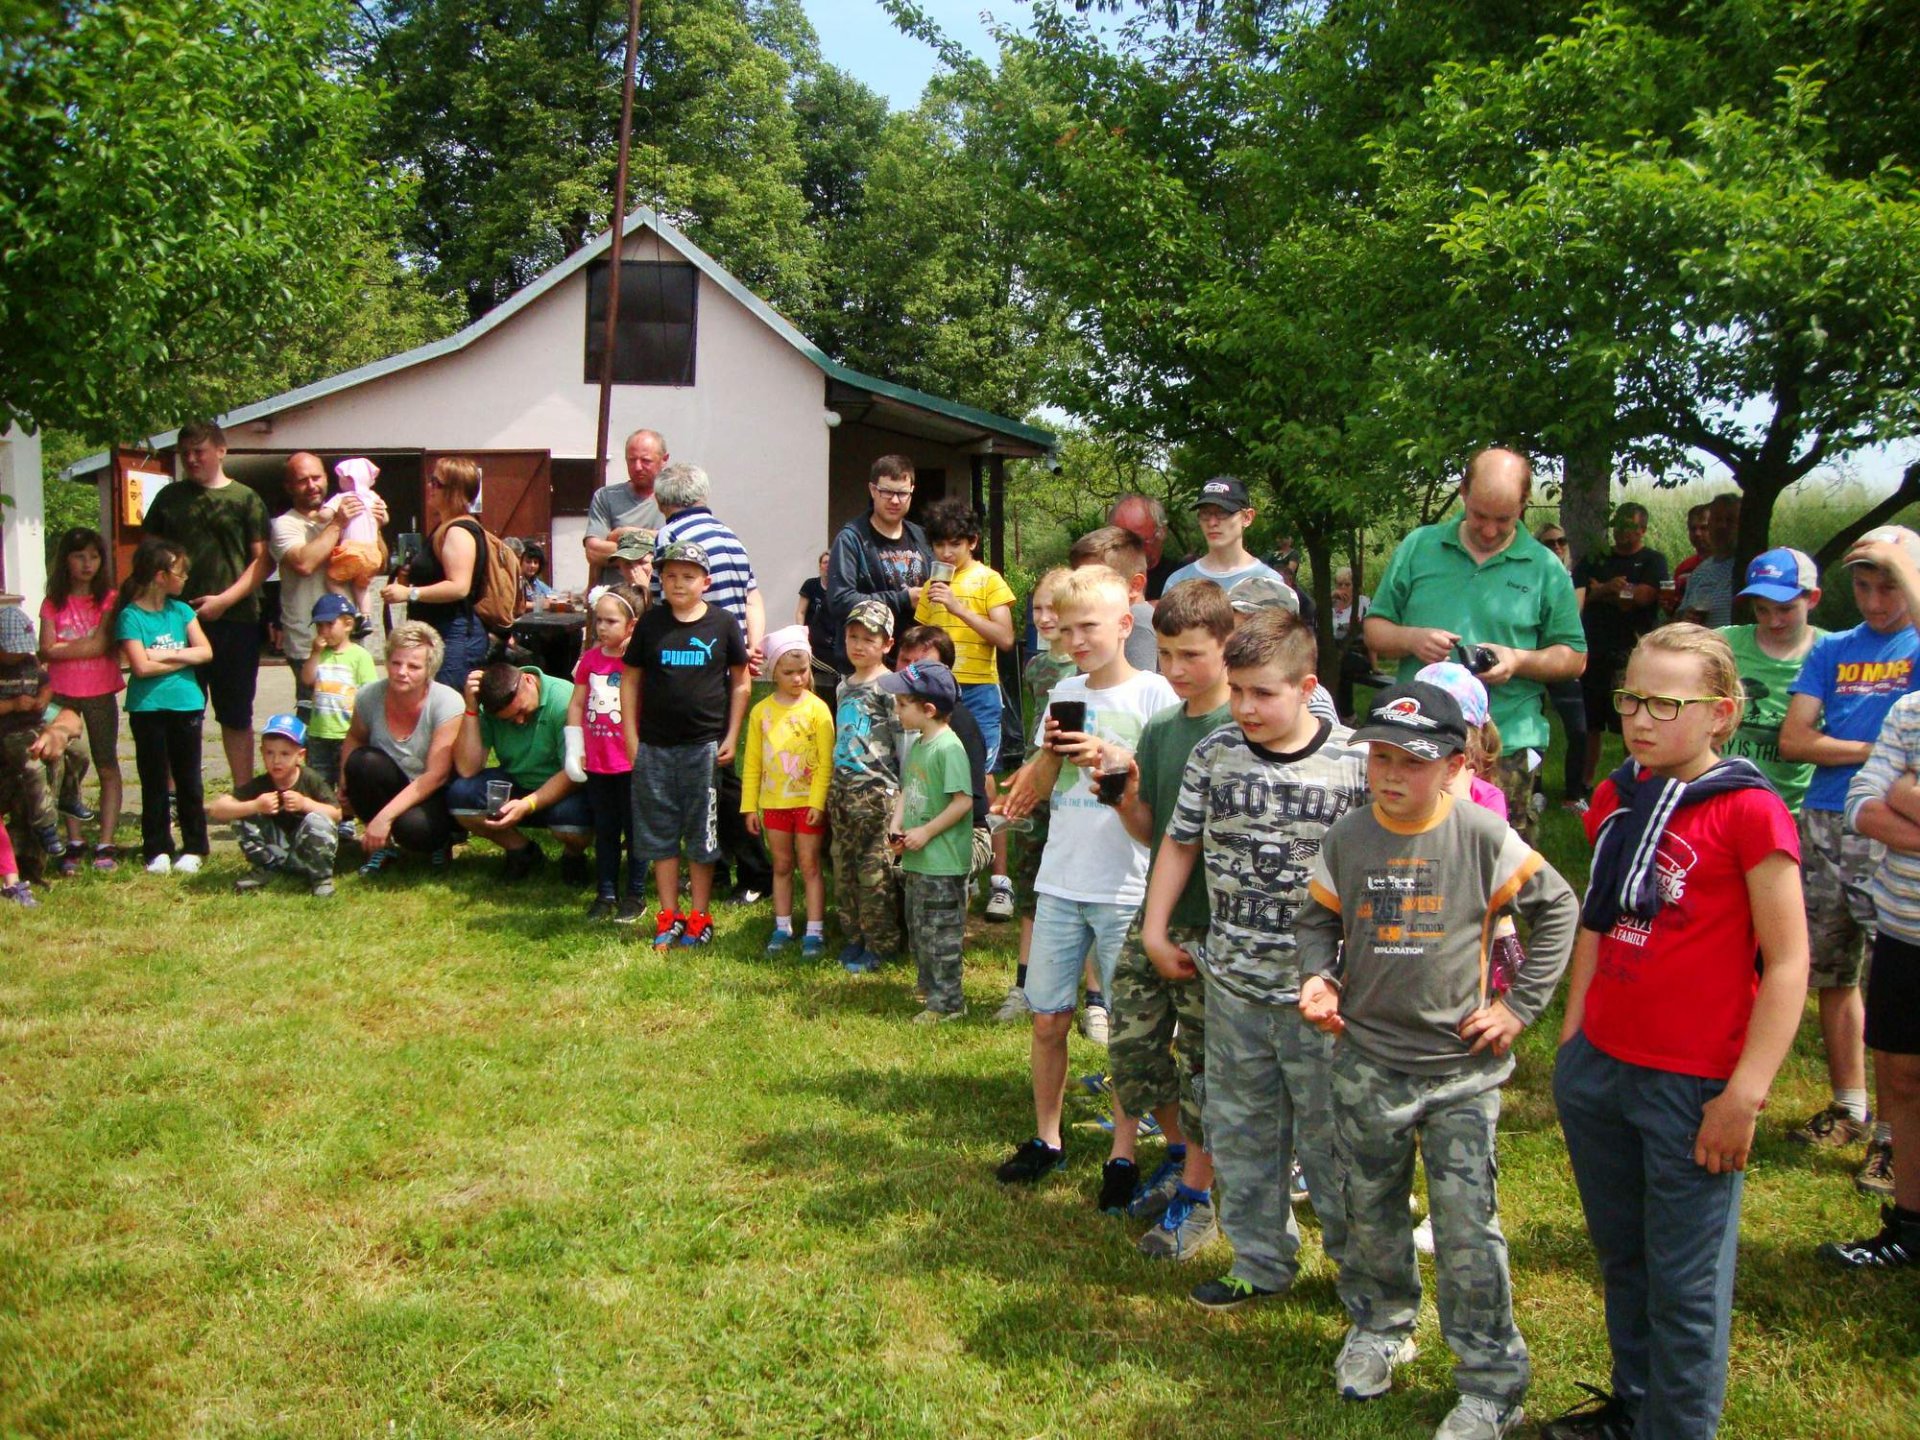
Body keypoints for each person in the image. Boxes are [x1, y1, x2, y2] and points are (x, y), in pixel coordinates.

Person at [1548, 625, 1808, 1439]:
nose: (1640, 719)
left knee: (1686, 1282)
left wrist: (1746, 1095)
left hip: (1693, 1084)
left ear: (1721, 714)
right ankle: (1634, 1405)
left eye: (1668, 703)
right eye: (1631, 698)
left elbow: (1791, 962)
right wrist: (1573, 1040)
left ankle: (1678, 1424)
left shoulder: (1748, 812)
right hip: (1603, 1066)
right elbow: (1598, 917)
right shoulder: (1621, 794)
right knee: (1625, 1257)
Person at [1298, 680, 1576, 1439]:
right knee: (1370, 1211)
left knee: (1465, 1227)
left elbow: (1558, 909)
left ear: (1456, 767)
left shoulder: (1484, 836)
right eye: (1380, 758)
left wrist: (1519, 1007)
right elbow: (1316, 920)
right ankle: (1381, 1327)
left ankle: (1491, 1381)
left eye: (1412, 763)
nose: (1390, 775)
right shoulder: (1348, 838)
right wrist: (1319, 978)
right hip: (1367, 1062)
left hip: (1461, 1072)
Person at [1139, 605, 1366, 1295]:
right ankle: (1260, 1263)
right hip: (1233, 986)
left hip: (1322, 997)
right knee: (1243, 1137)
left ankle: (1364, 1281)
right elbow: (1180, 841)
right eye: (1237, 691)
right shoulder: (1216, 753)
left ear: (1306, 688)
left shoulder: (1355, 763)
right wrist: (1155, 927)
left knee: (1337, 1147)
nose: (1245, 707)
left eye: (1263, 692)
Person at [994, 566, 1177, 1186]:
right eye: (1066, 629)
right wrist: (1047, 752)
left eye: (1089, 627)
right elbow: (1042, 791)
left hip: (1125, 885)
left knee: (1128, 1030)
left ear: (1125, 625)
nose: (1075, 640)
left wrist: (1114, 757)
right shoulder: (1062, 692)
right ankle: (1047, 1137)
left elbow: (1163, 792)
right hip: (1061, 880)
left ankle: (1123, 1152)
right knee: (1048, 1018)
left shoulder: (1154, 695)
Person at [1778, 526, 1920, 1192]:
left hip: (1898, 831)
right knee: (1834, 968)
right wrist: (1880, 759)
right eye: (1861, 584)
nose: (1873, 600)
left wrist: (1855, 748)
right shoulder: (1832, 649)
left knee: (1895, 974)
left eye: (1887, 583)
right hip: (1831, 818)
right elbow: (1797, 738)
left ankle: (1896, 1139)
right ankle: (1851, 1106)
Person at [1101, 581, 1234, 1261]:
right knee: (1131, 1047)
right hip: (1158, 915)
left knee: (1208, 1064)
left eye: (1192, 655)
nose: (1176, 669)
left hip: (1218, 930)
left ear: (1227, 647)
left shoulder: (1244, 727)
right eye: (1168, 654)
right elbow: (1156, 833)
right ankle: (1179, 1153)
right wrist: (1124, 799)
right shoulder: (1161, 729)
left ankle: (1199, 1195)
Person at [1364, 446, 1586, 841]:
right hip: (1419, 740)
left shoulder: (1544, 568)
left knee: (1499, 873)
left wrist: (1517, 660)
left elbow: (1574, 657)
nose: (1488, 530)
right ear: (1463, 491)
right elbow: (1375, 629)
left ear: (1524, 503)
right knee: (1410, 862)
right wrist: (1411, 638)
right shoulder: (1420, 547)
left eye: (1503, 519)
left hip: (1507, 746)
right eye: (1479, 515)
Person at [1825, 680, 1920, 1268]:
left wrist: (1906, 790)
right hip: (1906, 931)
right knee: (1903, 1078)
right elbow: (1861, 802)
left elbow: (1886, 798)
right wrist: (1890, 791)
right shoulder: (1909, 710)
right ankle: (1910, 1227)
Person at [649, 461, 771, 902]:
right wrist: (751, 646)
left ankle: (755, 872)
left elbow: (659, 606)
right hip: (726, 666)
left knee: (716, 779)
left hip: (695, 668)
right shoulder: (730, 536)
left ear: (663, 502)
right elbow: (752, 596)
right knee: (715, 776)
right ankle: (716, 869)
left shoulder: (670, 537)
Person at [622, 540, 751, 949]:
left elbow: (742, 682)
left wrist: (730, 736)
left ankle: (699, 915)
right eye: (671, 575)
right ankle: (668, 916)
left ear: (706, 582)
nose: (679, 583)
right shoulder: (651, 624)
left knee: (702, 835)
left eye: (689, 576)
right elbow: (630, 679)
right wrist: (631, 737)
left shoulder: (723, 624)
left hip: (704, 747)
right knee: (660, 834)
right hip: (655, 748)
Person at [140, 420, 272, 785]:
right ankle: (176, 795)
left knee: (235, 714)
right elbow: (147, 556)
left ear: (221, 450)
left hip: (236, 620)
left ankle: (243, 795)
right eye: (185, 454)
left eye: (199, 451)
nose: (192, 460)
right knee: (179, 710)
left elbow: (263, 561)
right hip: (177, 623)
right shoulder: (169, 498)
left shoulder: (246, 498)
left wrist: (224, 601)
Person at [989, 569, 1075, 1002]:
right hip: (1035, 786)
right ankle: (1024, 985)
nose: (1043, 618)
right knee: (1031, 884)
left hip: (1074, 791)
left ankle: (1092, 995)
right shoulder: (1037, 667)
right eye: (1037, 608)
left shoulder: (1084, 670)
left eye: (1053, 609)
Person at [882, 659, 976, 1021]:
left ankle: (949, 1003)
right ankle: (930, 987)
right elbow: (909, 789)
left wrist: (926, 832)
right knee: (920, 929)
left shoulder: (948, 748)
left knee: (941, 936)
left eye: (903, 704)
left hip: (943, 862)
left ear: (929, 709)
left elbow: (963, 802)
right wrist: (897, 823)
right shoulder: (920, 744)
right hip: (919, 861)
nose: (897, 710)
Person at [114, 537, 214, 875]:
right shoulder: (130, 616)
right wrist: (183, 659)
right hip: (148, 707)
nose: (185, 579)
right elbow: (140, 668)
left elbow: (206, 652)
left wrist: (160, 654)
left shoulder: (182, 611)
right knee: (154, 778)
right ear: (161, 576)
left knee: (188, 779)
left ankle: (196, 845)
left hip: (186, 704)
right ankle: (156, 847)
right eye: (180, 573)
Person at [449, 660, 593, 883]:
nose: (519, 720)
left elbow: (575, 771)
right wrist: (471, 710)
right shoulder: (488, 707)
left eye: (521, 711)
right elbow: (467, 768)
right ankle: (521, 850)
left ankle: (573, 856)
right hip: (515, 782)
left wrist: (528, 804)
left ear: (528, 680)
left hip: (564, 789)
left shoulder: (564, 700)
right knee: (461, 797)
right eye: (508, 719)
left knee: (571, 823)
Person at [340, 621, 465, 874]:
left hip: (431, 790)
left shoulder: (447, 702)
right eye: (396, 663)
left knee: (413, 831)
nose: (401, 672)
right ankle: (381, 847)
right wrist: (344, 782)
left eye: (413, 666)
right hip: (389, 780)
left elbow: (437, 775)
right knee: (361, 762)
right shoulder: (368, 696)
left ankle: (443, 839)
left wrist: (384, 818)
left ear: (429, 669)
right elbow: (354, 737)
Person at [270, 451, 387, 713]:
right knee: (314, 718)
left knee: (353, 718)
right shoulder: (285, 524)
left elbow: (379, 562)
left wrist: (374, 526)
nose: (312, 485)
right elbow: (304, 563)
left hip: (349, 638)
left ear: (327, 478)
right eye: (302, 480)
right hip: (309, 641)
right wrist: (338, 523)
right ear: (289, 487)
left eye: (316, 477)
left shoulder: (351, 513)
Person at [741, 626, 834, 955]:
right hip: (774, 804)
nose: (797, 679)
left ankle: (814, 930)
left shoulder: (818, 710)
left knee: (809, 865)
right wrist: (749, 806)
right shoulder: (761, 712)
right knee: (781, 865)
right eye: (788, 672)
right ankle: (782, 927)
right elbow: (752, 762)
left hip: (807, 804)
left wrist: (818, 801)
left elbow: (825, 762)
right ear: (773, 672)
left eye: (803, 671)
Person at [828, 599, 906, 973]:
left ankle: (881, 942)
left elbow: (902, 743)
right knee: (844, 868)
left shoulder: (889, 688)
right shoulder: (844, 686)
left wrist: (904, 795)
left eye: (869, 639)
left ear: (887, 644)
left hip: (877, 792)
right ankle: (854, 935)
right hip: (843, 789)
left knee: (874, 871)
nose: (858, 645)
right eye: (852, 637)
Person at [39, 527, 124, 871]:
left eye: (94, 556)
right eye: (79, 556)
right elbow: (45, 648)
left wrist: (63, 649)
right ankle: (73, 840)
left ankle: (106, 841)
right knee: (65, 764)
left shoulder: (108, 598)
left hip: (101, 690)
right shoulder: (52, 602)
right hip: (61, 693)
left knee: (106, 764)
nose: (87, 563)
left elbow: (101, 645)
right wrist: (75, 648)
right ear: (66, 561)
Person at [1572, 504, 1668, 804]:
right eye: (1618, 525)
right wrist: (1610, 590)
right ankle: (1584, 785)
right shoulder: (1596, 558)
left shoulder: (1652, 560)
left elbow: (1644, 597)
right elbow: (1578, 596)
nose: (1622, 531)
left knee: (1633, 716)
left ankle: (1637, 782)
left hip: (1631, 652)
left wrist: (1607, 590)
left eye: (1630, 526)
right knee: (1591, 722)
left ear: (1642, 529)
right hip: (1593, 650)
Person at [565, 583, 647, 922]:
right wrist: (575, 747)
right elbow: (577, 703)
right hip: (598, 763)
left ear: (631, 625)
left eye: (611, 621)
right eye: (598, 620)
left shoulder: (639, 663)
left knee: (637, 829)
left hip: (630, 762)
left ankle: (636, 894)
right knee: (606, 829)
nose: (601, 628)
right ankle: (606, 892)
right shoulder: (590, 661)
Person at [1719, 548, 1823, 814]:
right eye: (1762, 610)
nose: (1773, 620)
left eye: (1785, 609)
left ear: (1812, 598)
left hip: (1792, 807)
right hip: (1723, 799)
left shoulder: (1831, 651)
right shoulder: (1724, 642)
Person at [913, 498, 1016, 767]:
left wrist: (958, 608)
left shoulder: (988, 579)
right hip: (939, 688)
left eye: (955, 544)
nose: (946, 552)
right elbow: (920, 641)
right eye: (939, 545)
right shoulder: (931, 585)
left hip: (979, 687)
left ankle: (984, 812)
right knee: (942, 766)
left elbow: (1006, 639)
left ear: (973, 542)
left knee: (981, 768)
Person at [381, 457, 490, 689]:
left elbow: (459, 586)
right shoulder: (446, 528)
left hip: (453, 635)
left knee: (449, 706)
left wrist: (409, 593)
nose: (429, 487)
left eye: (436, 482)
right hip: (442, 634)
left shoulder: (458, 531)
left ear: (455, 492)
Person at [208, 713, 341, 898]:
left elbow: (336, 814)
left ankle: (321, 878)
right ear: (262, 753)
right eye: (270, 753)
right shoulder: (262, 784)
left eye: (285, 754)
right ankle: (266, 867)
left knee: (318, 821)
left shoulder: (310, 779)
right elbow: (217, 809)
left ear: (300, 756)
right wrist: (255, 805)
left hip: (305, 851)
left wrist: (305, 804)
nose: (276, 761)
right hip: (275, 850)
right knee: (241, 811)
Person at [826, 454, 932, 649]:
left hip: (916, 657)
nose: (894, 500)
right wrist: (903, 599)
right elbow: (840, 601)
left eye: (902, 493)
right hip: (867, 661)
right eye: (886, 492)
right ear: (872, 490)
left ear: (912, 491)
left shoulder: (922, 537)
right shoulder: (851, 539)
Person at [1162, 477, 1292, 603]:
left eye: (1223, 512)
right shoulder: (1178, 581)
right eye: (1205, 513)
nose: (1212, 522)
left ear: (1247, 517)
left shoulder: (1270, 583)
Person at [0, 604, 61, 868]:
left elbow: (46, 685)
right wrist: (13, 705)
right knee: (32, 765)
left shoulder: (30, 662)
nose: (19, 654)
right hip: (9, 732)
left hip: (33, 726)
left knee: (64, 755)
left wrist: (42, 701)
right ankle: (44, 824)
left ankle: (67, 803)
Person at [299, 595, 377, 802]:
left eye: (329, 624)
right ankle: (323, 813)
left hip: (347, 731)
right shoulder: (320, 654)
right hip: (319, 730)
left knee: (348, 777)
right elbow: (307, 679)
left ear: (348, 624)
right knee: (319, 779)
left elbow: (369, 691)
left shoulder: (360, 656)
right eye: (319, 626)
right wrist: (315, 653)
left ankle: (346, 817)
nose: (323, 631)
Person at [1070, 527, 1161, 674]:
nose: (1084, 590)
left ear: (1134, 585)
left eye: (1095, 582)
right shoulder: (1103, 619)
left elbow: (1133, 691)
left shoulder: (1137, 621)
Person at [585, 428, 669, 585]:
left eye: (646, 460)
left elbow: (677, 546)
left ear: (664, 459)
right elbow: (594, 552)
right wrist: (652, 547)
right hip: (615, 600)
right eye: (631, 460)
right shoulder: (606, 497)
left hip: (659, 601)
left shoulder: (675, 499)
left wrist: (625, 533)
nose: (637, 467)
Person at [1677, 493, 1740, 628]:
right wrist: (1684, 618)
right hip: (1706, 646)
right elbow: (1681, 616)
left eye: (1730, 520)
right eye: (1717, 520)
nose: (1722, 526)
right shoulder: (1700, 572)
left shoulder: (1751, 567)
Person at [1108, 493, 1182, 602]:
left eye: (1137, 541)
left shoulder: (1179, 577)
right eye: (1119, 541)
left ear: (1161, 533)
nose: (1128, 549)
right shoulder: (1104, 575)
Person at [1331, 565, 1374, 721]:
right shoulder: (1331, 605)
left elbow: (1370, 633)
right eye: (1339, 585)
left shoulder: (1363, 604)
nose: (1343, 589)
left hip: (1358, 653)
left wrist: (1375, 666)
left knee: (1343, 662)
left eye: (1347, 585)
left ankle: (1348, 715)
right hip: (1335, 652)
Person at [796, 550, 840, 670]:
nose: (828, 565)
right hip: (812, 637)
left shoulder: (840, 588)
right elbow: (801, 612)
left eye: (831, 562)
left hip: (832, 638)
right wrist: (801, 634)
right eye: (825, 562)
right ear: (820, 565)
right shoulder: (810, 585)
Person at [1666, 502, 1712, 613]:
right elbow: (1676, 610)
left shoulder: (1730, 565)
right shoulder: (1684, 568)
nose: (1697, 533)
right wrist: (1670, 607)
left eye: (1704, 528)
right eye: (1693, 529)